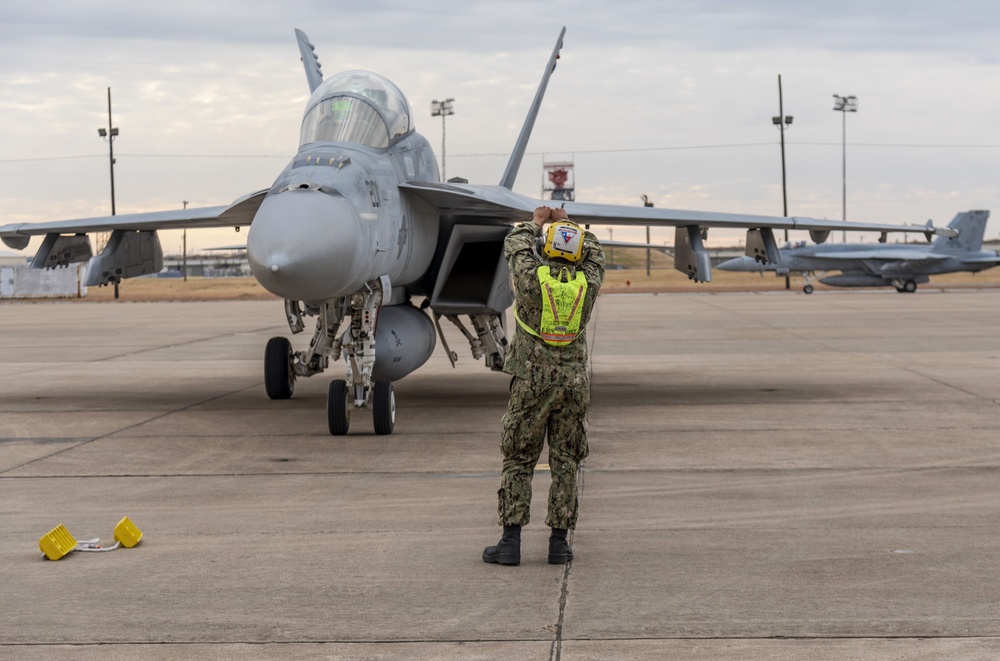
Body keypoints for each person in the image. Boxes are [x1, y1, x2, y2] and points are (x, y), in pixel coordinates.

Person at [483, 205, 605, 566]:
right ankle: (559, 544)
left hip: (532, 383)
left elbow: (515, 244)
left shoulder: (531, 278)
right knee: (566, 460)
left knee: (519, 458)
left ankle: (510, 542)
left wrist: (537, 223)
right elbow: (594, 251)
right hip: (573, 384)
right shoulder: (588, 281)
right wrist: (567, 223)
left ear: (545, 247)